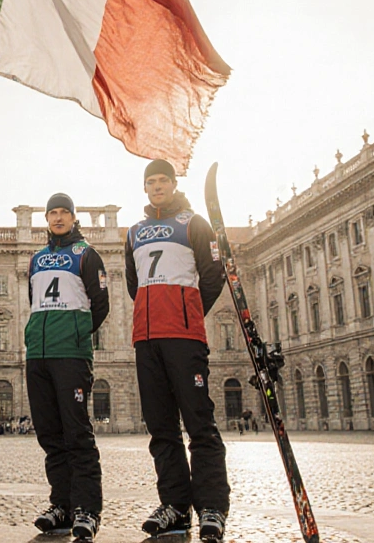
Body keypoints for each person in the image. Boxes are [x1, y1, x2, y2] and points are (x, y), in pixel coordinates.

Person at [127, 159, 230, 542]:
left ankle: (211, 507)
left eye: (162, 181)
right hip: (147, 339)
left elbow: (213, 275)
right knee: (161, 429)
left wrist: (187, 313)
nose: (156, 187)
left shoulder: (194, 224)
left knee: (200, 425)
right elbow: (133, 283)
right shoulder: (134, 232)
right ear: (145, 188)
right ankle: (174, 505)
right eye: (150, 181)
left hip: (184, 338)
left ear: (173, 184)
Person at [25, 194, 109, 543]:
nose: (58, 217)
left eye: (64, 212)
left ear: (74, 218)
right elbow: (35, 302)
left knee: (77, 434)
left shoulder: (87, 254)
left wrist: (76, 334)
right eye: (53, 212)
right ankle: (61, 504)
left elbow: (100, 305)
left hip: (70, 355)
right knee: (50, 435)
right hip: (38, 355)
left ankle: (87, 509)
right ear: (46, 218)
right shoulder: (36, 258)